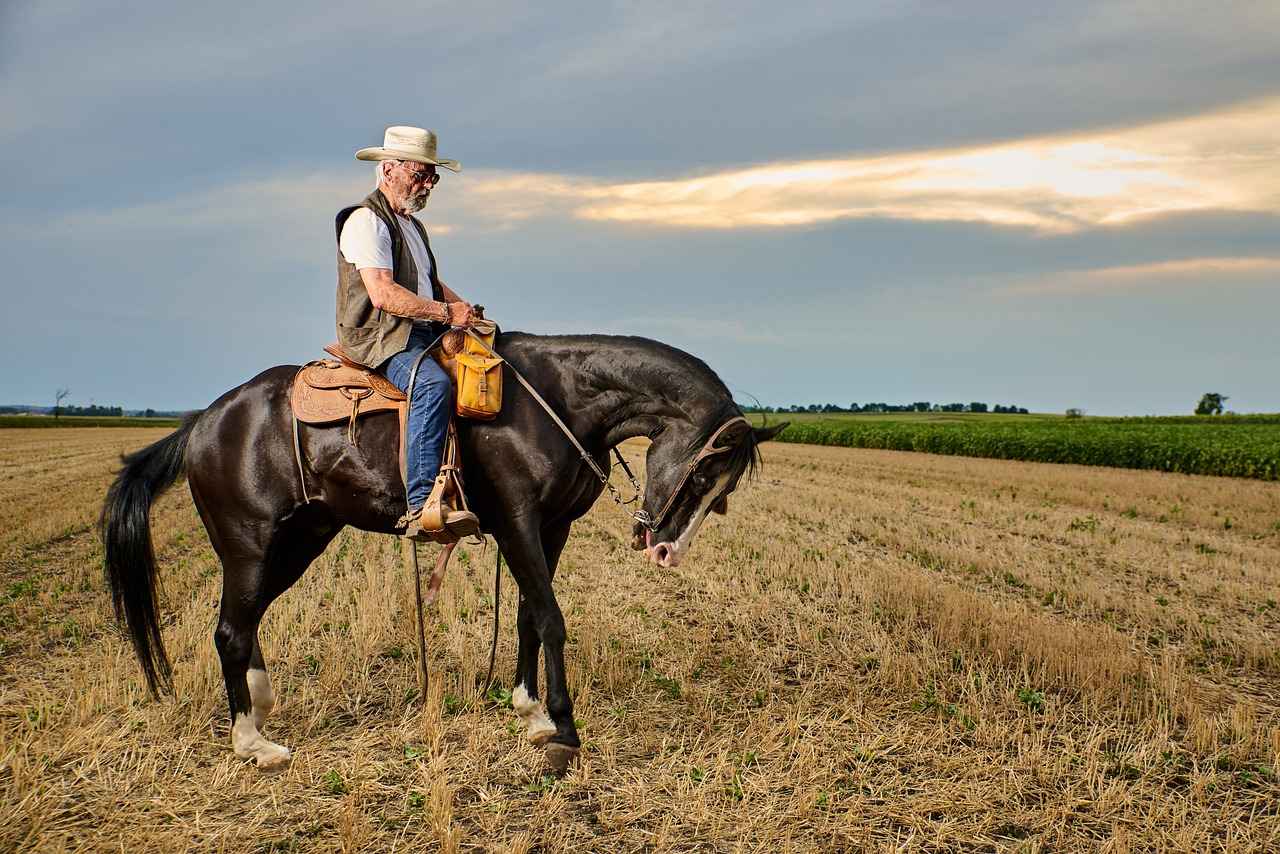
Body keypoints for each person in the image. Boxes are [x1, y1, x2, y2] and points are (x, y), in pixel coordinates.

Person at [334, 125, 479, 541]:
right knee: (433, 386)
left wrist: (468, 311)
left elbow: (430, 284)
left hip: (418, 333)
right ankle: (421, 505)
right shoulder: (366, 221)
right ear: (389, 170)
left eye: (432, 176)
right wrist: (446, 312)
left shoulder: (412, 226)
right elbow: (383, 294)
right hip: (380, 338)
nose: (429, 183)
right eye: (421, 174)